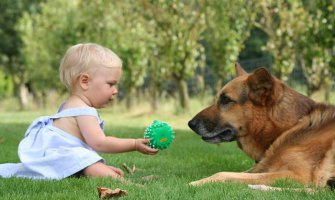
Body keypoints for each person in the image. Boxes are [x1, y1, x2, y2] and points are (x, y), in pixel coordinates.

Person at [0, 43, 158, 180]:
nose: (115, 91)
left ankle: (97, 170)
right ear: (85, 81)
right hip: (61, 157)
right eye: (110, 84)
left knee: (89, 161)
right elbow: (99, 143)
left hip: (55, 157)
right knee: (89, 163)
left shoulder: (68, 104)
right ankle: (121, 182)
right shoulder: (84, 111)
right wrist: (135, 144)